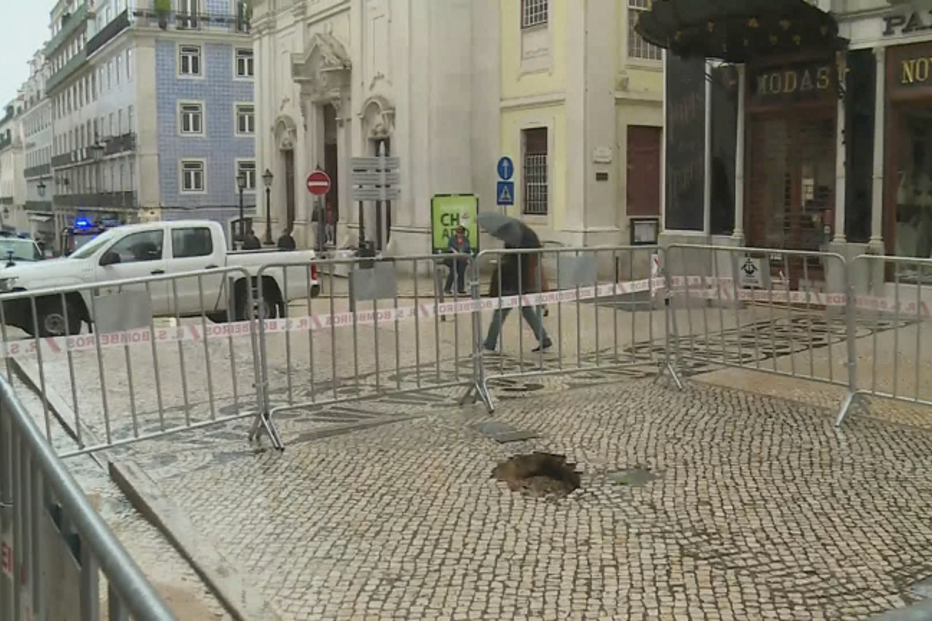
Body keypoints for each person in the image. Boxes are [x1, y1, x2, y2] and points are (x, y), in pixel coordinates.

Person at [483, 242, 552, 353]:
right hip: (521, 289)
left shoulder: (507, 259)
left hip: (508, 291)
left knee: (498, 316)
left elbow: (498, 278)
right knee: (529, 314)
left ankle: (490, 343)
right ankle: (544, 338)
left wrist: (494, 293)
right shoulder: (523, 257)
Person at [444, 225, 470, 295]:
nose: (460, 234)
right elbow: (449, 247)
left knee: (461, 273)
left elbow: (468, 250)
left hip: (462, 259)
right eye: (458, 233)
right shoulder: (452, 239)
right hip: (454, 259)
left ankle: (460, 289)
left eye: (461, 233)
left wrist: (467, 258)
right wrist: (454, 250)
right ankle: (447, 289)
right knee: (452, 273)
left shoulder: (466, 239)